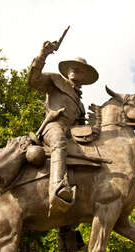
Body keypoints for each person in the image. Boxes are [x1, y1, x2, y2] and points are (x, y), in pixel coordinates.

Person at [27, 39, 99, 214]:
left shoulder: (81, 105)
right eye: (72, 67)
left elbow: (80, 127)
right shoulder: (55, 80)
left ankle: (68, 227)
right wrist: (43, 55)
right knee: (59, 141)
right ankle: (58, 189)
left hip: (71, 134)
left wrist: (94, 130)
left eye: (79, 69)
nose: (74, 70)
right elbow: (33, 80)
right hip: (53, 128)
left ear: (84, 77)